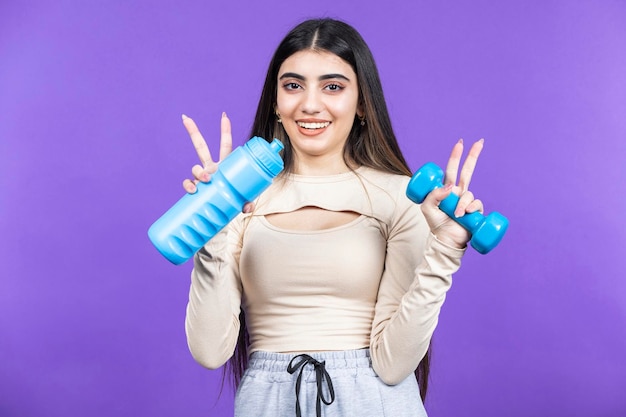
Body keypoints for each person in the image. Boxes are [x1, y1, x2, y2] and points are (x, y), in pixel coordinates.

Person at [181, 18, 484, 417]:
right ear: (275, 100)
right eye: (292, 85)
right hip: (266, 403)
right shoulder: (239, 199)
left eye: (333, 86)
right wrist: (213, 225)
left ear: (361, 103)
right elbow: (209, 352)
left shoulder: (401, 196)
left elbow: (393, 365)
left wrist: (445, 248)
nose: (309, 104)